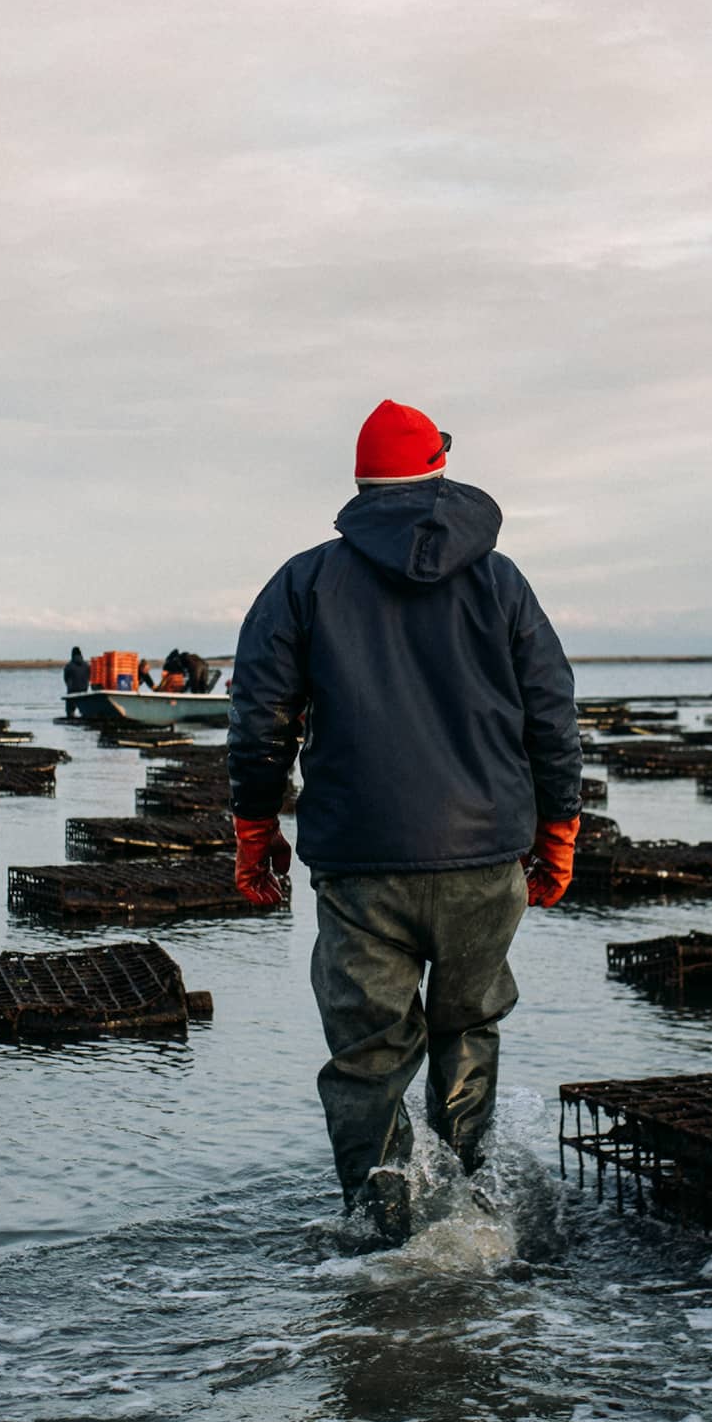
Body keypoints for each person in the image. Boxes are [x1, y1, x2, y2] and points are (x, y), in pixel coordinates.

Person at [227, 399, 582, 1244]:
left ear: (361, 481)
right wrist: (559, 833)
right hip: (485, 855)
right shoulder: (500, 581)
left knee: (367, 1060)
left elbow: (259, 718)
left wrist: (253, 833)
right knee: (468, 1028)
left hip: (359, 864)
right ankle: (466, 1217)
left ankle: (382, 1236)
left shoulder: (304, 581)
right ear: (437, 471)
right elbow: (552, 715)